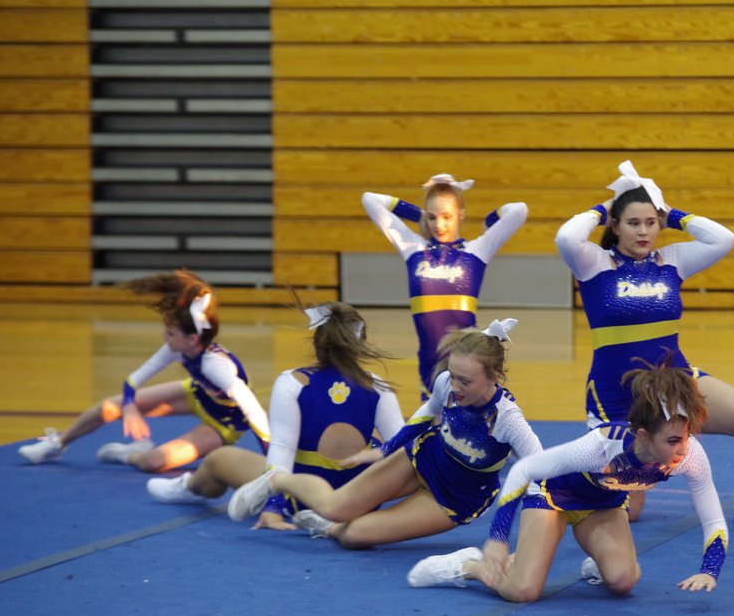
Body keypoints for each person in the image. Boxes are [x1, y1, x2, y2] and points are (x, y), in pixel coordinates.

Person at [557, 160, 734, 520]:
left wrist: (672, 214)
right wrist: (605, 208)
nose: (644, 231)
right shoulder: (595, 264)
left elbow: (723, 238)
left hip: (676, 380)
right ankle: (557, 482)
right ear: (615, 226)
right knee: (627, 511)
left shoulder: (671, 260)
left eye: (651, 222)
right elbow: (566, 237)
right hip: (619, 395)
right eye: (633, 223)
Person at [405, 360, 728, 601]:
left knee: (623, 581)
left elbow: (713, 519)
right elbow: (522, 470)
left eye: (686, 436)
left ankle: (598, 560)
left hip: (602, 506)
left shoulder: (689, 455)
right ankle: (469, 565)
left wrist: (709, 570)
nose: (683, 448)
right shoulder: (600, 447)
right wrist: (498, 539)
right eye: (673, 440)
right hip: (552, 498)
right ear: (643, 435)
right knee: (522, 591)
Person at [225, 319, 543, 549]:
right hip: (423, 459)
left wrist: (503, 537)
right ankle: (276, 480)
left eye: (466, 381)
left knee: (354, 536)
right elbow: (424, 415)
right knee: (336, 506)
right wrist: (385, 450)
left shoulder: (507, 419)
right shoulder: (446, 382)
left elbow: (539, 471)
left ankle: (327, 527)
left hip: (457, 496)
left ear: (494, 377)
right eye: (453, 376)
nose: (455, 387)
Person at [144, 301, 404, 530]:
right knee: (381, 440)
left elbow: (282, 449)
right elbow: (404, 448)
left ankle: (191, 487)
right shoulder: (378, 387)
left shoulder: (293, 382)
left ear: (317, 343)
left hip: (300, 499)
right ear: (361, 344)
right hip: (359, 501)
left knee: (218, 459)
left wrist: (274, 507)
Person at [17, 270, 269, 472]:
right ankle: (58, 443)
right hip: (196, 393)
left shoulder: (215, 366)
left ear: (192, 339)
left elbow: (253, 410)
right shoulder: (177, 348)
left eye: (170, 333)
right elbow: (133, 380)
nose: (164, 337)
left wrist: (271, 460)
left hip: (224, 422)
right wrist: (128, 406)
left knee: (154, 462)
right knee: (109, 407)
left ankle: (130, 454)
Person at [361, 173, 528, 396]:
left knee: (470, 418)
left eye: (447, 216)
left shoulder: (476, 251)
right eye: (432, 217)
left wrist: (490, 221)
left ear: (461, 215)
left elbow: (519, 210)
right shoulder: (413, 249)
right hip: (430, 367)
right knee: (434, 417)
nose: (438, 224)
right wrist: (418, 215)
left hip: (470, 363)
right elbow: (369, 199)